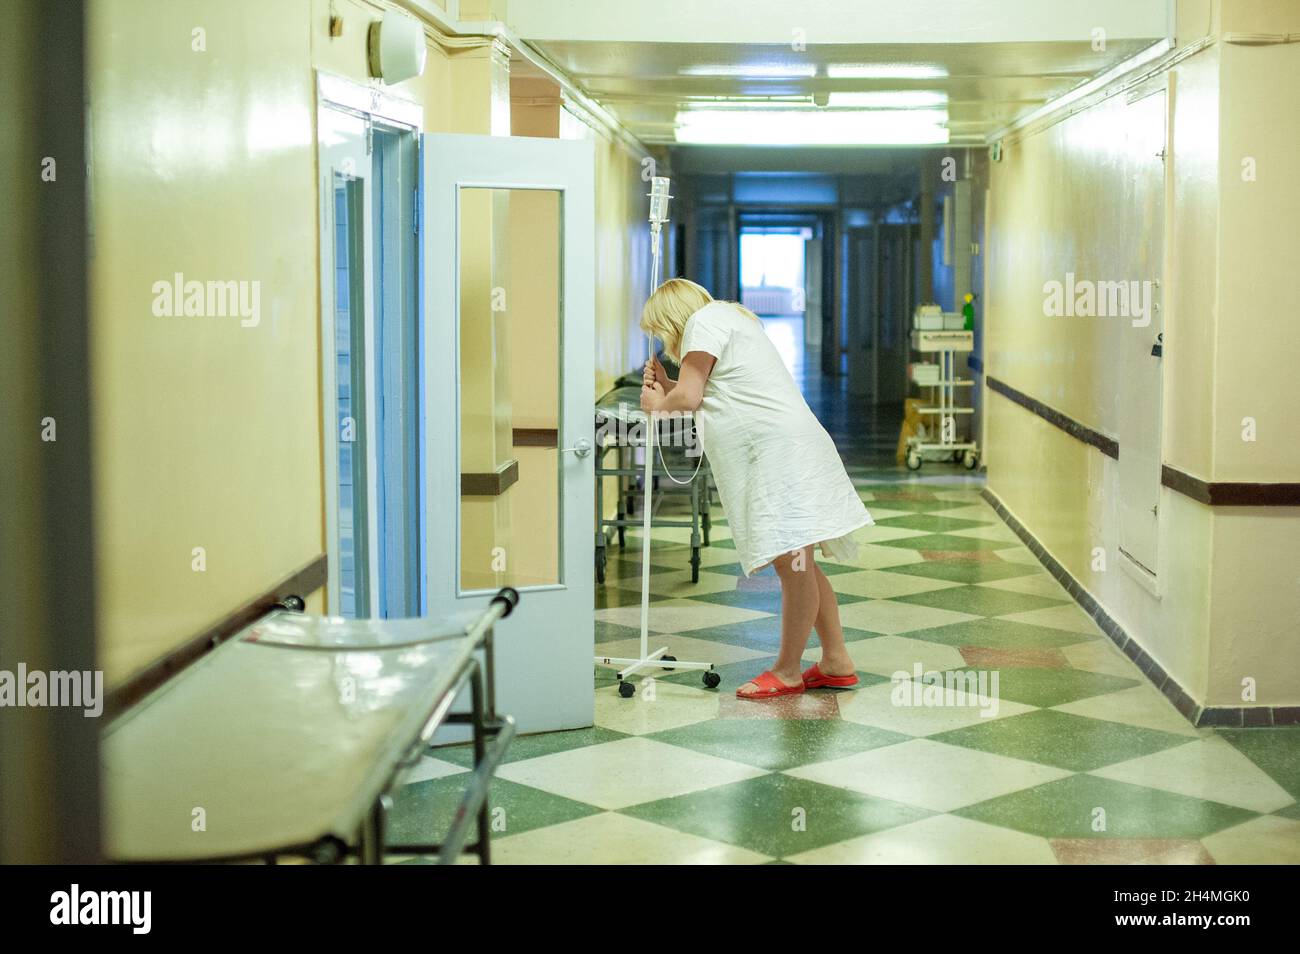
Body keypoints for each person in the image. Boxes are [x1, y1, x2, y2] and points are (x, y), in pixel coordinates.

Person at [639, 278, 873, 699]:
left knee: (793, 563)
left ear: (673, 316)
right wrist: (668, 389)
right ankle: (836, 661)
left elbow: (690, 399)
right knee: (800, 561)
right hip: (788, 448)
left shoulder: (703, 323)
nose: (663, 340)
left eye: (660, 330)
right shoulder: (728, 318)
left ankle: (786, 671)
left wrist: (660, 404)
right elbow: (718, 393)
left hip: (778, 455)